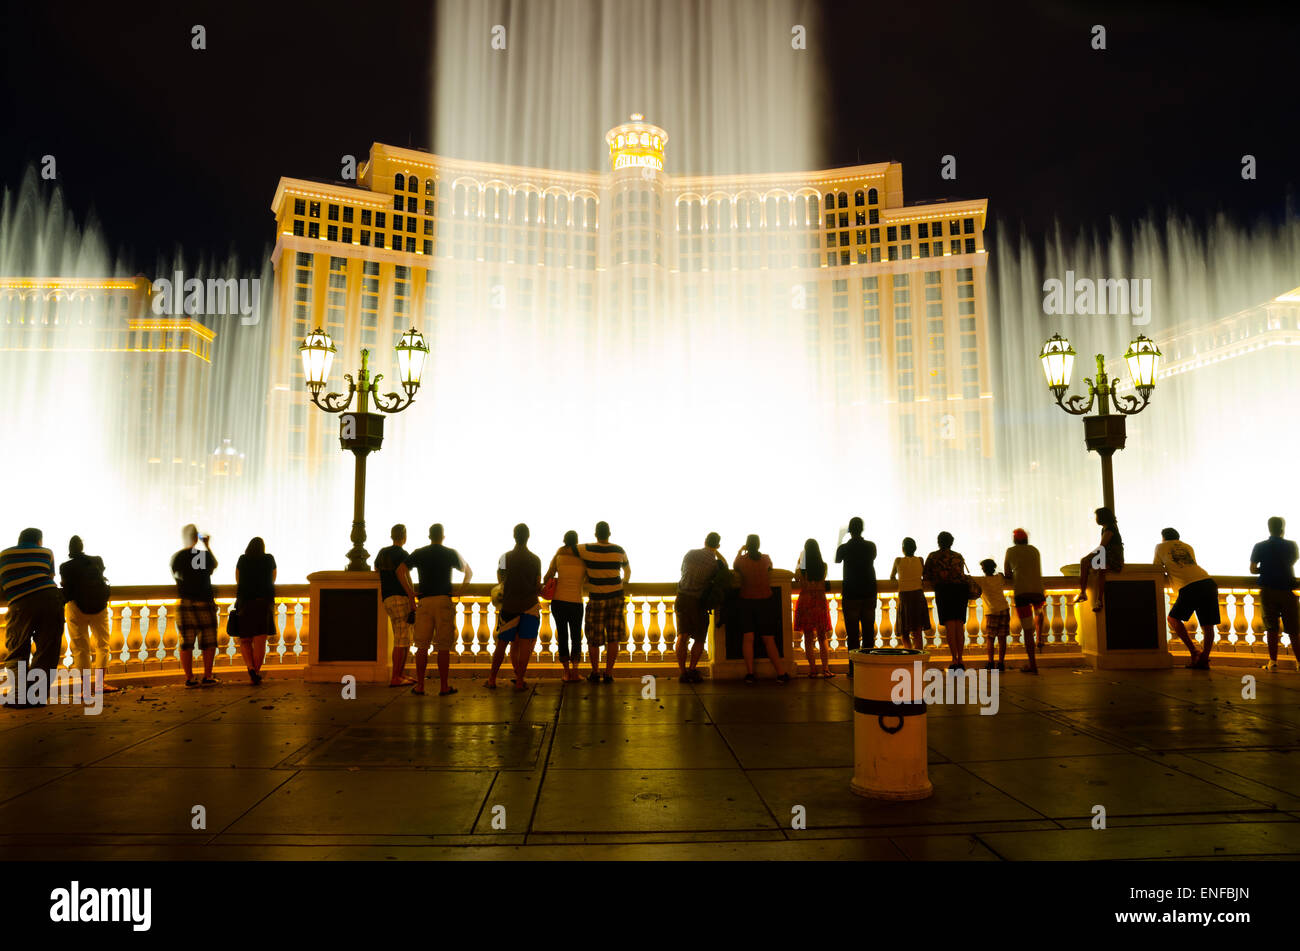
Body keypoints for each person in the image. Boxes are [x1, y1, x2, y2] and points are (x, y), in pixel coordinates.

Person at [399, 523, 471, 696]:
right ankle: (444, 686)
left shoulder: (419, 552)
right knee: (444, 646)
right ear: (442, 536)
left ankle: (421, 686)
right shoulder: (450, 553)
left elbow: (400, 570)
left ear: (429, 536)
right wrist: (460, 591)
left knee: (422, 646)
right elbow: (468, 572)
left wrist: (411, 593)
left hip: (424, 601)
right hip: (443, 600)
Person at [1, 528, 64, 707]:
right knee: (47, 650)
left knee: (17, 649)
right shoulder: (46, 552)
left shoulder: (3, 555)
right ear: (39, 541)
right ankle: (36, 696)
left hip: (20, 603)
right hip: (50, 599)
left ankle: (19, 696)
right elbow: (50, 576)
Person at [1153, 528, 1219, 670]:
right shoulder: (1188, 546)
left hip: (1188, 586)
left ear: (1163, 537)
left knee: (1172, 619)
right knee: (1208, 626)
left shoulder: (1160, 547)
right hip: (1207, 582)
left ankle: (1194, 651)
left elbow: (1156, 568)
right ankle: (1204, 659)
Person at [59, 536, 118, 693]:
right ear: (82, 546)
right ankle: (100, 685)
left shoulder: (65, 567)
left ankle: (86, 689)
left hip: (76, 608)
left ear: (70, 550)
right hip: (99, 606)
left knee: (81, 648)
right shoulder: (96, 561)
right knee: (103, 645)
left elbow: (66, 588)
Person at [490, 523, 542, 691]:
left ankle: (492, 679)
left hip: (509, 606)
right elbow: (537, 584)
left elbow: (500, 579)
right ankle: (520, 680)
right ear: (528, 537)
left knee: (502, 644)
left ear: (514, 536)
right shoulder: (535, 559)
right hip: (529, 605)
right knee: (525, 645)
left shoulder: (505, 557)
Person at [734, 534, 790, 685]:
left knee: (748, 638)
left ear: (747, 545)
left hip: (746, 602)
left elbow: (735, 566)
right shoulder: (765, 558)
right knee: (769, 639)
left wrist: (740, 551)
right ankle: (781, 673)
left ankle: (750, 674)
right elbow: (770, 568)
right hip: (765, 602)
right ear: (759, 545)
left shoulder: (742, 561)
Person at [578, 521, 631, 683]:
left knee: (594, 638)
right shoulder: (619, 550)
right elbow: (628, 571)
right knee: (613, 637)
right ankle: (608, 673)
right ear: (609, 534)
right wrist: (623, 583)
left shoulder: (586, 549)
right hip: (616, 597)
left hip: (597, 599)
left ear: (596, 534)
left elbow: (570, 547)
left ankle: (595, 672)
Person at [171, 525, 219, 687]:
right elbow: (214, 566)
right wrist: (206, 545)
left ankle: (190, 678)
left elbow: (177, 575)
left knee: (186, 641)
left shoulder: (177, 557)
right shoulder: (202, 555)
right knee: (209, 641)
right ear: (196, 538)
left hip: (184, 601)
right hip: (204, 601)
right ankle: (207, 675)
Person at [1249, 516, 1299, 672]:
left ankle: (1273, 662)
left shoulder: (1259, 546)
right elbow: (1291, 562)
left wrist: (1264, 569)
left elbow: (1252, 569)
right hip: (1287, 590)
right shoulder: (1292, 546)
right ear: (1282, 528)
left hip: (1268, 590)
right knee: (1294, 629)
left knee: (1271, 628)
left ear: (1269, 528)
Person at [675, 532, 724, 683]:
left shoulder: (690, 554)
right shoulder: (715, 564)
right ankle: (692, 670)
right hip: (698, 602)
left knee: (682, 636)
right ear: (718, 545)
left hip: (682, 598)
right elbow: (725, 570)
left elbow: (683, 571)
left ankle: (682, 672)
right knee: (700, 638)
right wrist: (717, 553)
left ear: (704, 541)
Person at [835, 517, 878, 678]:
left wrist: (840, 539)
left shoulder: (844, 548)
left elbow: (837, 560)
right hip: (868, 592)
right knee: (868, 633)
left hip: (851, 594)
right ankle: (868, 667)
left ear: (850, 530)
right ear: (862, 529)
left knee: (852, 635)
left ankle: (853, 669)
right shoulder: (870, 546)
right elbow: (872, 558)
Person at [375, 524, 417, 687]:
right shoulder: (403, 554)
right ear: (404, 536)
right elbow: (404, 577)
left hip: (387, 598)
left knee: (402, 638)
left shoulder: (382, 552)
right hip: (400, 597)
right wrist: (411, 596)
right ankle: (396, 676)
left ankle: (400, 675)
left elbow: (377, 570)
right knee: (402, 639)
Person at [923, 531, 971, 670]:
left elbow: (926, 575)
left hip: (944, 591)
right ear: (951, 542)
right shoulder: (958, 556)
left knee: (950, 626)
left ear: (939, 542)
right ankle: (961, 659)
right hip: (960, 591)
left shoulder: (933, 556)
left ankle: (954, 660)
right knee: (959, 625)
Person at [543, 530, 587, 683]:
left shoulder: (559, 555)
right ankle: (575, 672)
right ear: (576, 542)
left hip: (559, 601)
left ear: (564, 540)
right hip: (576, 601)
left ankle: (566, 673)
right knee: (576, 637)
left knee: (562, 635)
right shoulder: (583, 557)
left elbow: (546, 577)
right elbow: (587, 578)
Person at [234, 537, 277, 685]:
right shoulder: (269, 559)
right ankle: (256, 673)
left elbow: (238, 579)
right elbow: (273, 578)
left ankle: (250, 667)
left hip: (245, 603)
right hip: (263, 603)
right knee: (260, 641)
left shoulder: (242, 559)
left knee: (245, 639)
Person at [1004, 528, 1046, 673]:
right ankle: (1040, 638)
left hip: (1022, 594)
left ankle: (1032, 664)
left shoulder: (1010, 551)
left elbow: (1007, 574)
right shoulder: (1035, 550)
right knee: (1039, 613)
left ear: (1014, 540)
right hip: (1038, 593)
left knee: (1028, 630)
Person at [794, 538, 833, 678]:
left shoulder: (802, 570)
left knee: (808, 638)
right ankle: (826, 669)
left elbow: (796, 577)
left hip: (806, 601)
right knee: (823, 638)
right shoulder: (823, 566)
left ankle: (812, 669)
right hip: (820, 601)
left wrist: (800, 560)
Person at [1076, 507, 1123, 611]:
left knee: (1085, 562)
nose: (1096, 519)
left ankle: (1084, 593)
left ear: (1102, 517)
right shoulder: (1107, 528)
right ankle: (1097, 600)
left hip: (1113, 558)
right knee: (1099, 569)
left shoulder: (1110, 528)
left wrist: (1088, 557)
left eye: (1096, 516)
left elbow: (1102, 546)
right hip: (1109, 556)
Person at [890, 537, 930, 652]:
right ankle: (918, 659)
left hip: (905, 597)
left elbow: (892, 576)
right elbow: (925, 576)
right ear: (915, 548)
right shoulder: (920, 560)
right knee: (917, 631)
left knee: (904, 631)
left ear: (903, 549)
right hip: (918, 595)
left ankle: (909, 654)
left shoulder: (898, 560)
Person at [975, 559, 1011, 671]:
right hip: (1004, 609)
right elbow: (1004, 574)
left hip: (992, 611)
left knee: (990, 638)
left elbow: (967, 579)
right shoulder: (999, 578)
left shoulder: (981, 581)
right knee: (1002, 638)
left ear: (983, 569)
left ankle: (990, 662)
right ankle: (1001, 663)